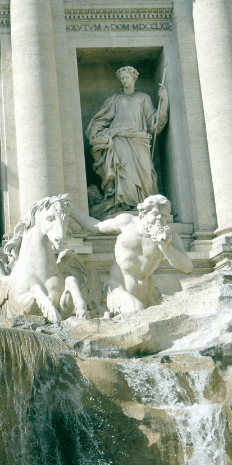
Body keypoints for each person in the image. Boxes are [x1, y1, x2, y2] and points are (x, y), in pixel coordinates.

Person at [70, 195, 192, 315]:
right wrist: (71, 210)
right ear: (143, 213)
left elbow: (187, 267)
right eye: (155, 214)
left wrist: (167, 248)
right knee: (137, 312)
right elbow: (96, 227)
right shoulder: (127, 222)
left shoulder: (170, 236)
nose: (160, 218)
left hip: (148, 293)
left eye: (164, 215)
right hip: (119, 289)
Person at [86, 66, 168, 216]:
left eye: (127, 78)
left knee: (146, 174)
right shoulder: (115, 100)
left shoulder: (144, 98)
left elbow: (153, 123)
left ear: (134, 78)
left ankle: (146, 206)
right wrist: (94, 132)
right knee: (125, 173)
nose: (124, 80)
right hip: (120, 140)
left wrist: (164, 101)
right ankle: (125, 206)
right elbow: (103, 119)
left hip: (139, 140)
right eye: (122, 78)